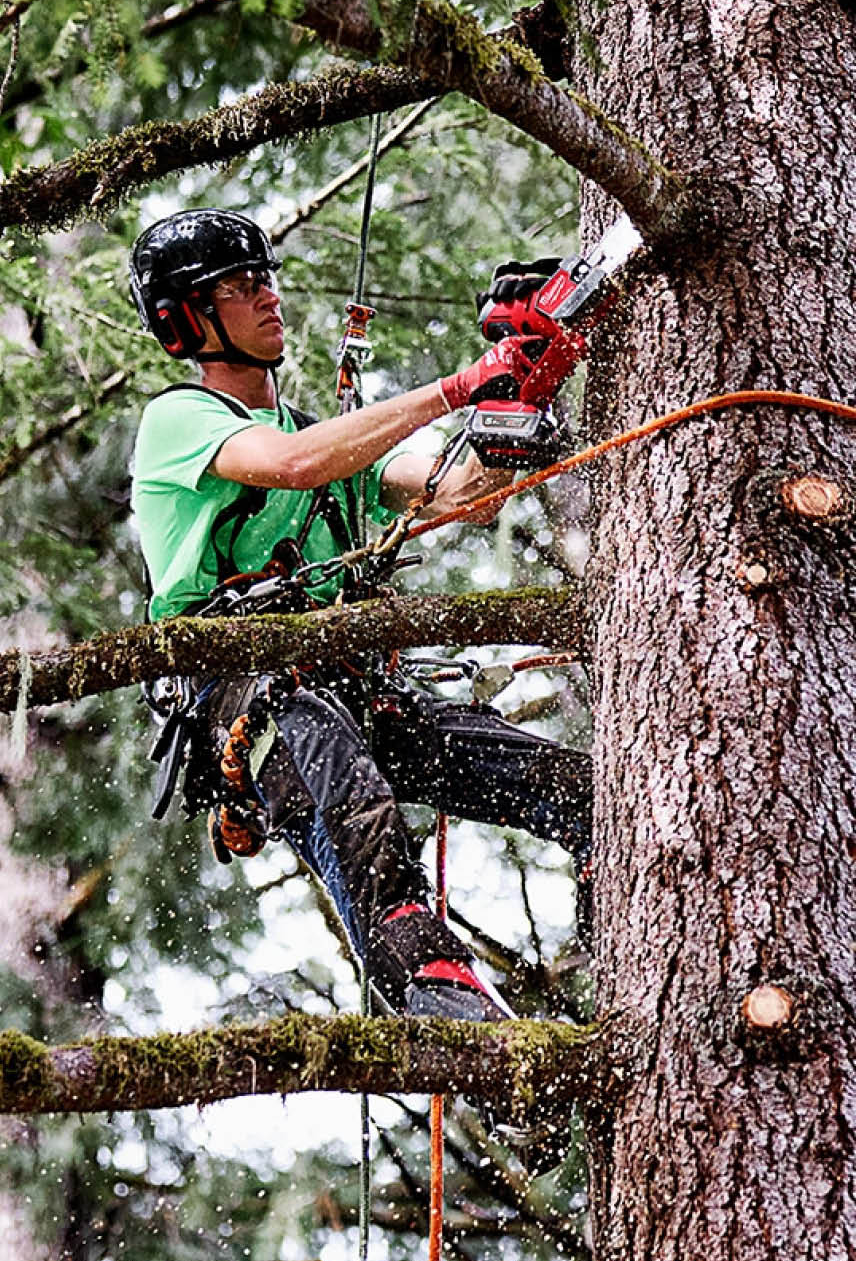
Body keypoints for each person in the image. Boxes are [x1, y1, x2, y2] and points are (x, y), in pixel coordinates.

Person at [129, 208, 590, 1024]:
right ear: (188, 320)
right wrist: (456, 386)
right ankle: (432, 987)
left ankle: (625, 908)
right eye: (239, 287)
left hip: (357, 681)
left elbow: (457, 496)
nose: (269, 297)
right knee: (337, 775)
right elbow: (293, 466)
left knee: (567, 785)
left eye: (266, 279)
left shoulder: (324, 434)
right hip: (246, 692)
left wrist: (520, 389)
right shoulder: (181, 422)